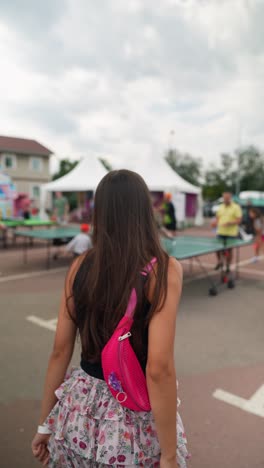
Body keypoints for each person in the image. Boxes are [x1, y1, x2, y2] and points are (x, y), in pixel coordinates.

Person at [31, 170, 189, 468]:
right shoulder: (164, 270)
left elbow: (60, 351)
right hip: (132, 417)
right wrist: (169, 455)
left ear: (100, 212)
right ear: (144, 211)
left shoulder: (80, 265)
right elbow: (158, 368)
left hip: (78, 411)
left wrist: (44, 425)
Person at [215, 192, 242, 272]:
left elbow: (239, 220)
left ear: (230, 198)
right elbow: (217, 218)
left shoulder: (236, 207)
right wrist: (215, 223)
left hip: (231, 233)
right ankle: (219, 261)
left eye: (227, 198)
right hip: (220, 232)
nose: (225, 199)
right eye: (224, 198)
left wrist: (230, 223)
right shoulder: (220, 207)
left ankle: (228, 265)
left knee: (229, 250)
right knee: (217, 249)